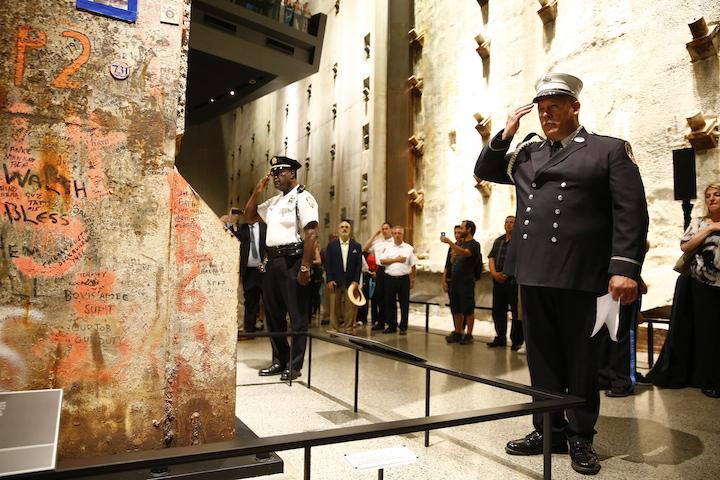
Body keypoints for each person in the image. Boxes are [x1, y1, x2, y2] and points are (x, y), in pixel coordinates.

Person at [474, 72, 649, 475]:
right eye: (541, 108)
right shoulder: (527, 153)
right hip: (533, 272)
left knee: (580, 359)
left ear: (575, 107)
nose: (546, 114)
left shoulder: (608, 150)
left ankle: (580, 436)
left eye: (555, 106)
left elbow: (631, 212)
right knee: (542, 358)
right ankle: (547, 429)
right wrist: (504, 133)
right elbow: (486, 169)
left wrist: (624, 267)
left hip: (582, 273)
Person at [244, 156, 319, 382]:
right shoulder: (274, 202)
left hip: (293, 260)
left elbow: (311, 233)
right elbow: (249, 217)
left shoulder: (303, 198)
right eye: (274, 173)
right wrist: (257, 191)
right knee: (273, 316)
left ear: (293, 174)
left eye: (280, 172)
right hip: (273, 262)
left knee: (297, 316)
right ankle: (279, 360)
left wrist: (305, 267)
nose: (276, 176)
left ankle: (294, 365)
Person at [678, 183, 720, 397]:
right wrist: (711, 229)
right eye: (708, 196)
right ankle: (710, 380)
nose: (712, 199)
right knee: (708, 333)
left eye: (717, 195)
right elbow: (685, 246)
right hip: (703, 283)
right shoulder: (699, 222)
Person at [441, 220, 481, 345]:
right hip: (455, 281)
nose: (460, 230)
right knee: (456, 307)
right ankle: (458, 331)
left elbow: (465, 254)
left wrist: (449, 242)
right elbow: (453, 262)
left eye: (462, 228)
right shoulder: (461, 244)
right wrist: (453, 258)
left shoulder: (474, 244)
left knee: (468, 308)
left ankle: (469, 334)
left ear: (469, 230)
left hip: (466, 281)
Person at [487, 215, 523, 350]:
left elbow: (521, 260)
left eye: (512, 222)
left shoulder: (520, 242)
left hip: (513, 282)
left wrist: (507, 273)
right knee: (498, 311)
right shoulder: (498, 241)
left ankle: (516, 341)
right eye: (506, 222)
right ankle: (500, 337)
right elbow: (491, 257)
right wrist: (494, 273)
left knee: (516, 313)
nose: (508, 224)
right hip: (498, 282)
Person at [324, 220, 363, 334]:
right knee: (334, 306)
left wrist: (356, 281)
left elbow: (358, 265)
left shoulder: (356, 246)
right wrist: (329, 279)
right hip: (335, 280)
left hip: (351, 281)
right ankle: (334, 329)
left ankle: (348, 329)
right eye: (342, 227)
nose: (344, 229)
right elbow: (328, 264)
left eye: (346, 227)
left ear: (349, 230)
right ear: (339, 230)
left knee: (350, 307)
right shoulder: (332, 246)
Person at [378, 226, 417, 334]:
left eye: (399, 233)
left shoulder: (408, 248)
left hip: (403, 279)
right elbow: (382, 261)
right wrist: (397, 259)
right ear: (392, 234)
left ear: (402, 234)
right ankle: (392, 326)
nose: (397, 235)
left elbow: (413, 266)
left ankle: (403, 327)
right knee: (390, 303)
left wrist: (413, 280)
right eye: (395, 233)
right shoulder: (388, 248)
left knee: (404, 304)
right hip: (390, 278)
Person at [238, 219, 267, 338]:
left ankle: (272, 328)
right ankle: (250, 329)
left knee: (267, 299)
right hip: (249, 270)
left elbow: (268, 246)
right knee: (250, 300)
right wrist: (229, 223)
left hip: (263, 268)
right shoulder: (242, 228)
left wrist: (265, 263)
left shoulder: (265, 227)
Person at [364, 223, 393, 331]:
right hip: (380, 269)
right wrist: (375, 235)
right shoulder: (378, 242)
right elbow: (365, 248)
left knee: (389, 297)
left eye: (387, 228)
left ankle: (391, 323)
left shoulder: (394, 242)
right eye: (383, 229)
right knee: (379, 297)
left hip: (390, 268)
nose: (385, 230)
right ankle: (380, 322)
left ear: (391, 229)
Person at [442, 225, 464, 340]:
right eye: (455, 233)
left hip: (461, 281)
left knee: (462, 307)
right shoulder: (451, 247)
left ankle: (461, 330)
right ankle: (457, 330)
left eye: (459, 232)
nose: (457, 235)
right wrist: (444, 280)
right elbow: (447, 265)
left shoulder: (465, 247)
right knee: (454, 307)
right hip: (451, 280)